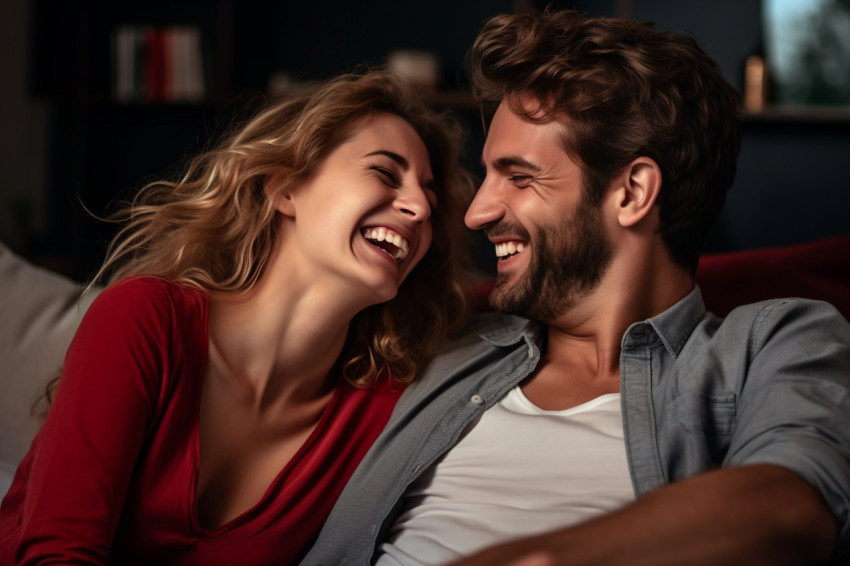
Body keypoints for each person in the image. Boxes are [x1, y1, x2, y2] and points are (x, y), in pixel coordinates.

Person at [300, 9, 850, 566]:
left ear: (632, 192)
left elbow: (791, 505)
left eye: (519, 177)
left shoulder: (773, 342)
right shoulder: (444, 339)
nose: (476, 213)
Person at [0, 70, 475, 565]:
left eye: (429, 197)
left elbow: (512, 298)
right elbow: (56, 554)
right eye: (384, 171)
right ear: (285, 187)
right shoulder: (144, 320)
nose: (419, 207)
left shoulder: (380, 401)